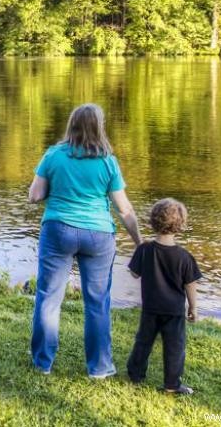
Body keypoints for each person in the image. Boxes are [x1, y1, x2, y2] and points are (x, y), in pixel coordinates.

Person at [28, 103, 142, 378]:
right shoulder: (107, 161)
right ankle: (100, 367)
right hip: (98, 234)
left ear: (71, 125)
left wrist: (58, 187)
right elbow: (124, 209)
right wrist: (140, 242)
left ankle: (43, 363)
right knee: (97, 301)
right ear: (99, 128)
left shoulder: (53, 155)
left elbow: (34, 196)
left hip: (58, 230)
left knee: (49, 297)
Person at [126, 198, 202, 394]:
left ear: (153, 222)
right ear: (181, 225)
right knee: (175, 348)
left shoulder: (145, 249)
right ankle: (171, 384)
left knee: (143, 341)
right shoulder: (184, 256)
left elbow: (135, 273)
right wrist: (193, 307)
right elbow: (190, 284)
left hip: (150, 308)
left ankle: (135, 375)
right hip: (174, 311)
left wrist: (139, 253)